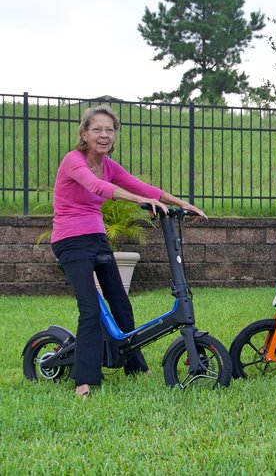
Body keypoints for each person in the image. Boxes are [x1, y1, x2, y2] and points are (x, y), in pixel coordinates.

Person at [51, 105, 206, 399]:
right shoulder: (73, 160)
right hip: (70, 240)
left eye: (110, 130)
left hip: (96, 237)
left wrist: (182, 204)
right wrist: (141, 201)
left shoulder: (109, 164)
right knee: (90, 310)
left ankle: (134, 367)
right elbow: (98, 188)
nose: (104, 135)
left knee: (121, 305)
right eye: (97, 129)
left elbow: (143, 186)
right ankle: (84, 380)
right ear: (84, 133)